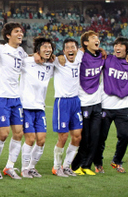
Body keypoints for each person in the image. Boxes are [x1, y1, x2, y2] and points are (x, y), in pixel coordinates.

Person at [0, 22, 28, 180]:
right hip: (0, 97)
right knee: (3, 134)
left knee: (19, 133)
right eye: (17, 31)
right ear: (8, 35)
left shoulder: (21, 52)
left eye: (21, 32)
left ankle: (10, 166)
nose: (20, 34)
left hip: (15, 98)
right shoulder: (0, 49)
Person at [96, 37, 128, 173]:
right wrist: (100, 49)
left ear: (126, 49)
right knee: (101, 137)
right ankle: (98, 163)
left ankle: (117, 161)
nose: (118, 47)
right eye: (116, 45)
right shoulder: (107, 59)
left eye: (121, 45)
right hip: (105, 105)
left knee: (125, 136)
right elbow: (92, 51)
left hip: (123, 106)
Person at [20, 37, 54, 178]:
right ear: (38, 49)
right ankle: (24, 169)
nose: (48, 49)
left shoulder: (51, 65)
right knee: (30, 139)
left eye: (50, 47)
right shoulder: (27, 62)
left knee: (41, 139)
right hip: (26, 106)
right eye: (44, 47)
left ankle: (32, 167)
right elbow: (17, 59)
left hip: (40, 107)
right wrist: (31, 55)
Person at [71, 31, 105, 176]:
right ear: (85, 43)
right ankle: (75, 165)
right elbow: (68, 55)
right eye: (93, 38)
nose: (96, 40)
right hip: (83, 101)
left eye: (97, 38)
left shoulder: (101, 56)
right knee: (85, 137)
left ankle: (87, 165)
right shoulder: (80, 55)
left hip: (97, 102)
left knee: (95, 136)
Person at [50, 38, 82, 177]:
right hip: (62, 102)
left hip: (75, 101)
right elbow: (43, 55)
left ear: (77, 49)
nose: (70, 49)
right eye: (67, 47)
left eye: (73, 47)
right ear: (63, 51)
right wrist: (57, 55)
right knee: (63, 137)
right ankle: (56, 167)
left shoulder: (80, 56)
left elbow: (93, 49)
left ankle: (67, 165)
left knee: (77, 136)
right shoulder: (58, 61)